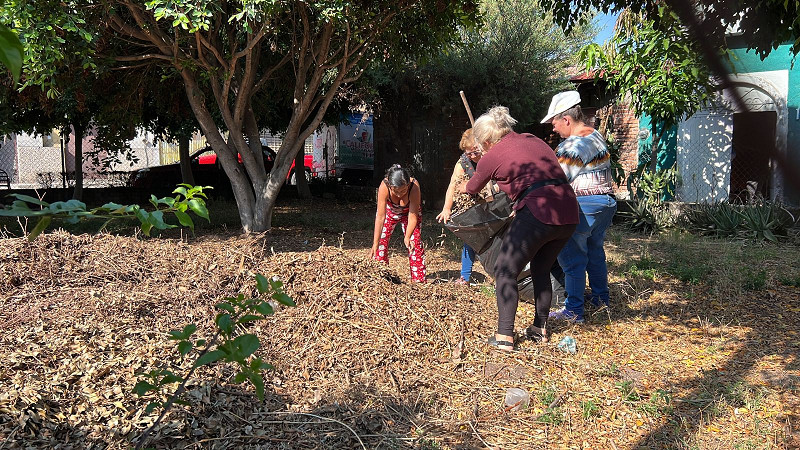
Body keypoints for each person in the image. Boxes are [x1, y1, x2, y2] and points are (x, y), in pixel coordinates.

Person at [457, 106, 579, 352]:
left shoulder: (491, 155)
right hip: (568, 211)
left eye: (481, 145)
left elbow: (472, 188)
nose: (481, 150)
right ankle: (539, 329)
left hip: (539, 210)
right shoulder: (533, 140)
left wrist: (461, 187)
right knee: (541, 268)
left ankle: (504, 336)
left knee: (505, 270)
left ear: (487, 141)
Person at [541, 91, 618, 324]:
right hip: (606, 203)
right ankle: (600, 299)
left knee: (572, 258)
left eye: (554, 122)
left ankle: (574, 311)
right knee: (595, 253)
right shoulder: (595, 135)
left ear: (566, 119)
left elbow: (555, 180)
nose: (553, 128)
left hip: (584, 205)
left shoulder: (573, 145)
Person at [436, 128, 482, 285]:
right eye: (469, 153)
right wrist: (446, 208)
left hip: (495, 203)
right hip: (474, 204)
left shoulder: (489, 156)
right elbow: (453, 185)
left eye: (475, 152)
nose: (473, 156)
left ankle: (501, 276)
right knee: (469, 238)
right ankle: (465, 277)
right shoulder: (463, 162)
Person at [372, 164, 427, 283]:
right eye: (396, 191)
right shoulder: (384, 187)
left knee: (414, 243)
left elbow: (413, 216)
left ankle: (419, 281)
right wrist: (375, 243)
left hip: (410, 214)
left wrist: (407, 237)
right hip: (390, 212)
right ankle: (382, 277)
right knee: (381, 243)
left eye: (403, 190)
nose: (399, 194)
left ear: (408, 185)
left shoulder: (414, 187)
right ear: (390, 186)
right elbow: (380, 217)